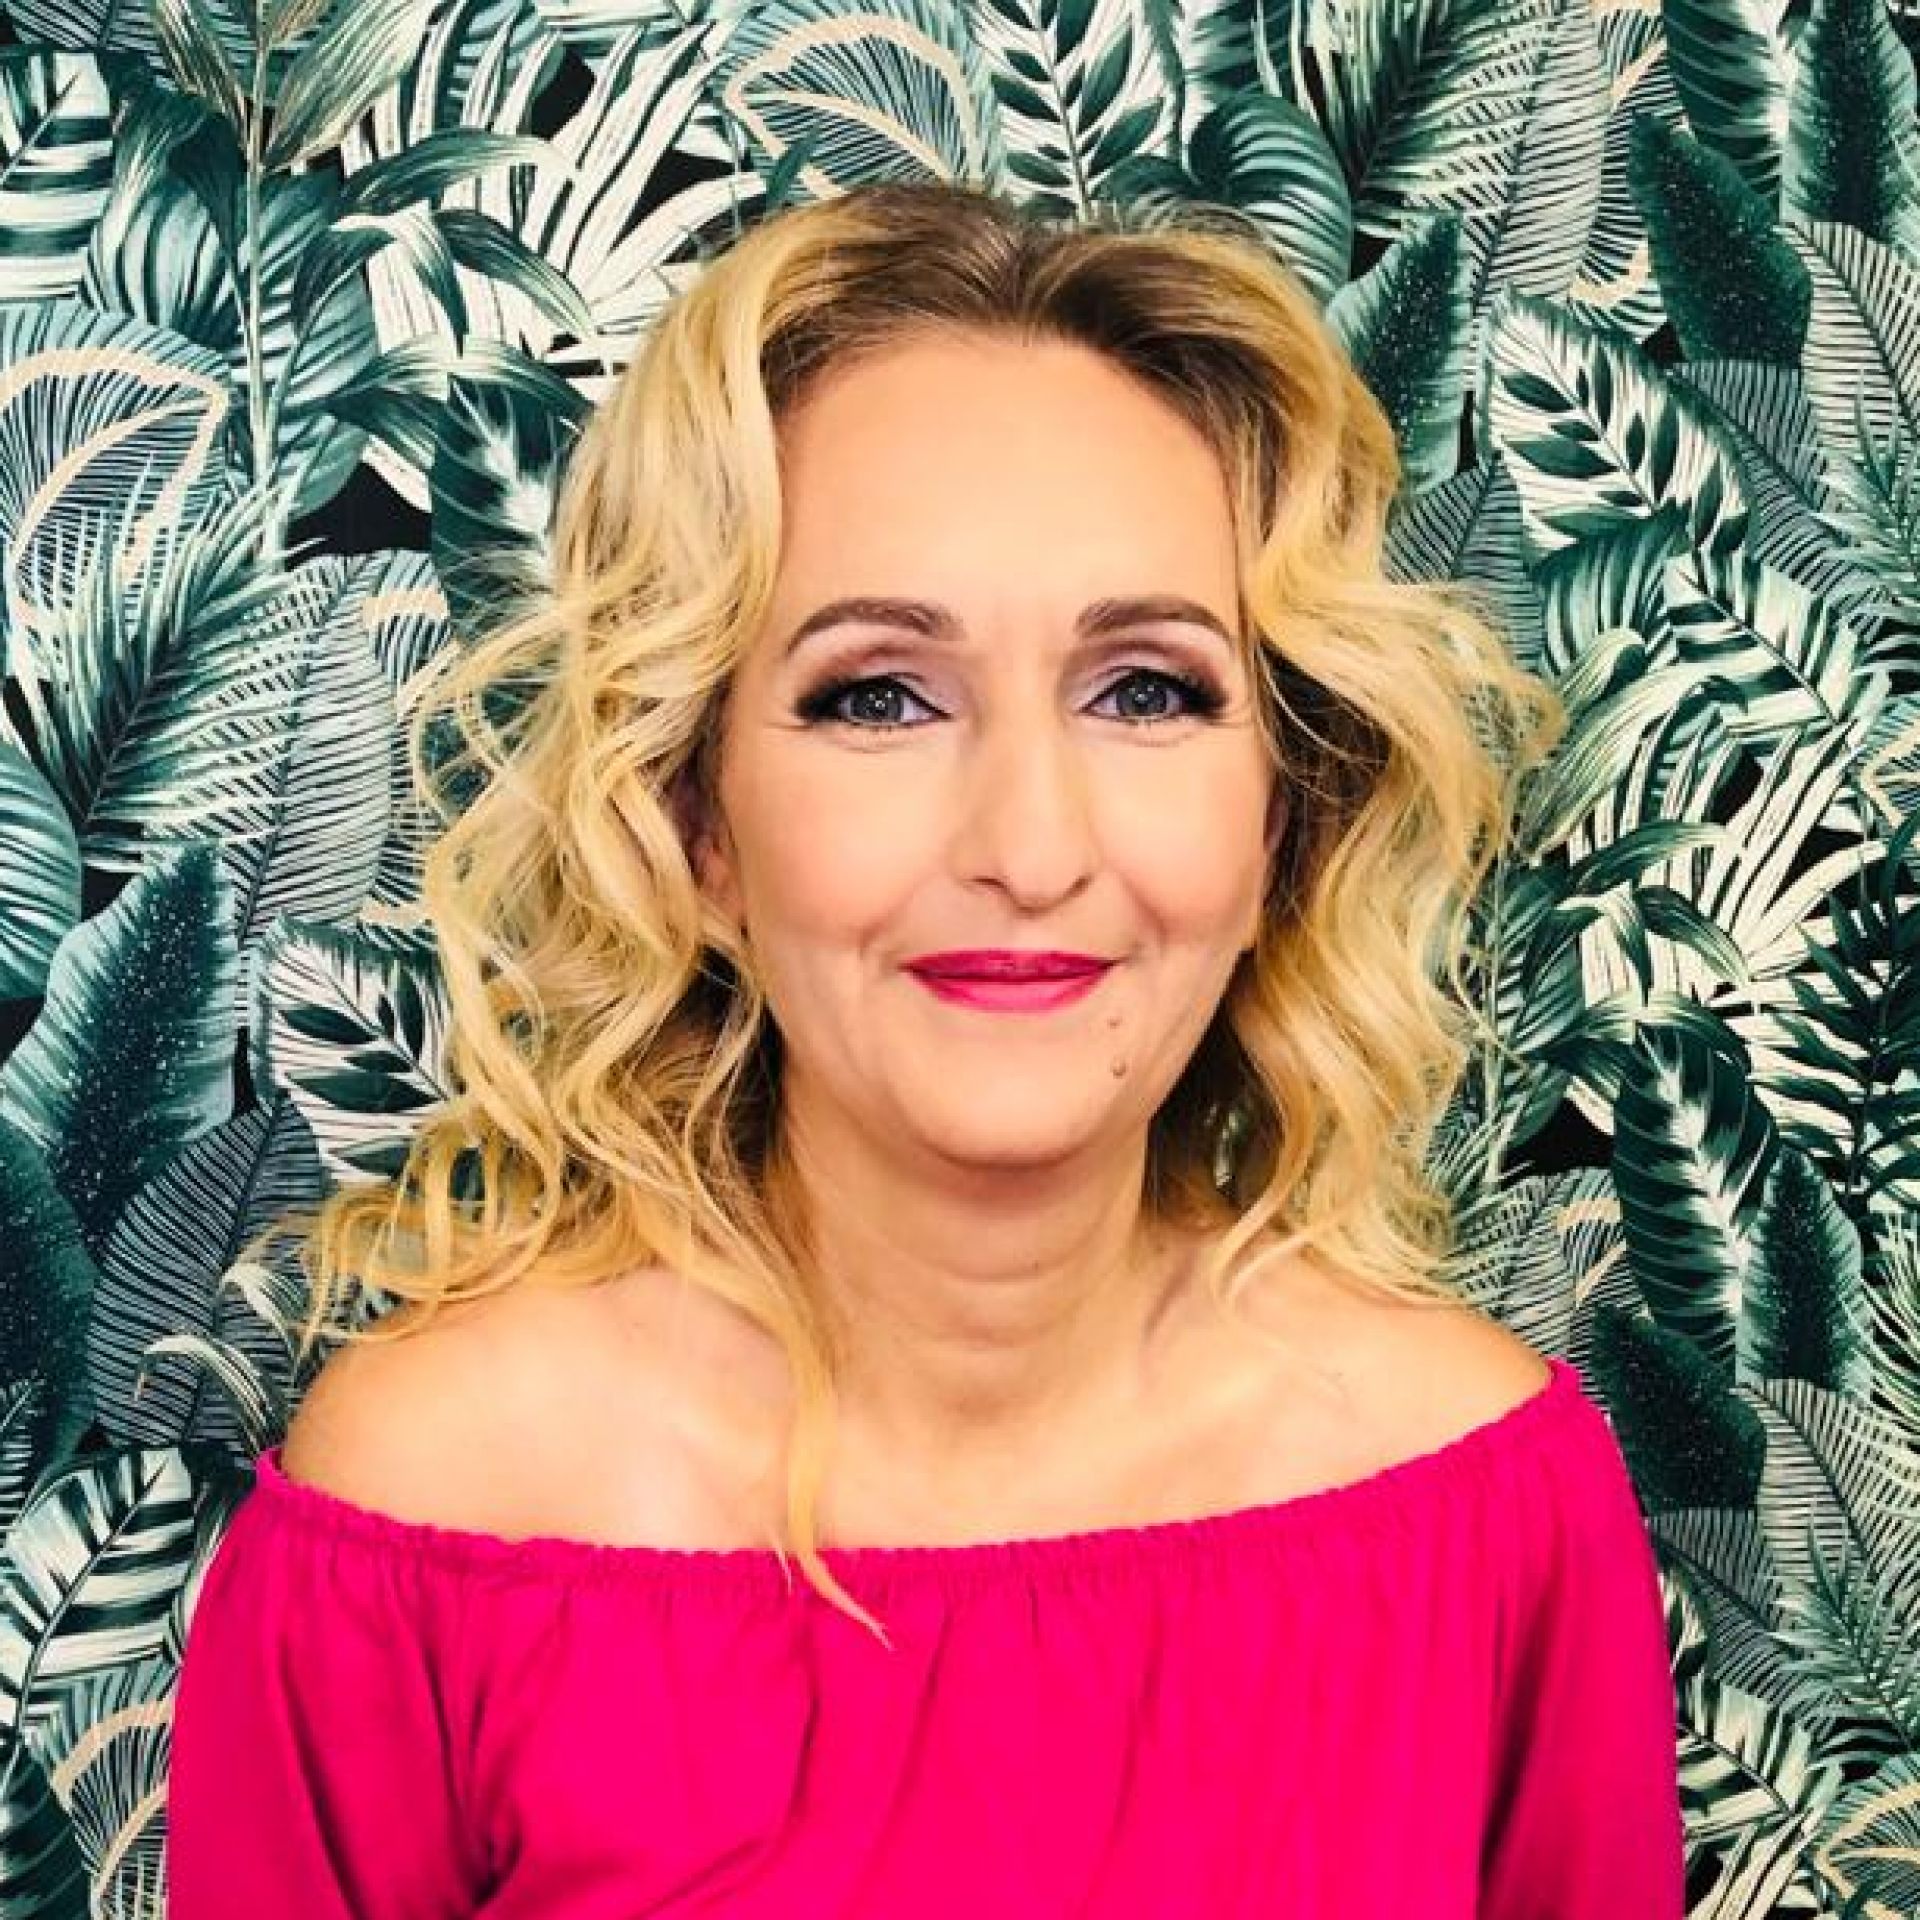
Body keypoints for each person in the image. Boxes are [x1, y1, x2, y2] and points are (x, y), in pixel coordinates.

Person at [163, 178, 1685, 1917]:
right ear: (699, 828)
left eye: (1148, 690)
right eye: (877, 695)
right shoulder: (427, 1523)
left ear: (1281, 825)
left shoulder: (1488, 1509)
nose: (1029, 848)